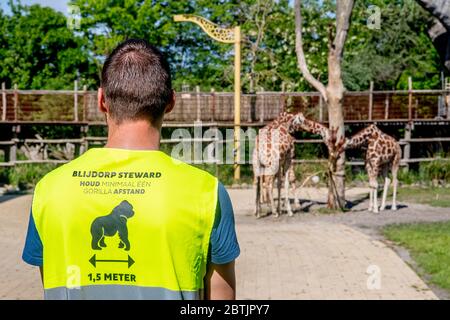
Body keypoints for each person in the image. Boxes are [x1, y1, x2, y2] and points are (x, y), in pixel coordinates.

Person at [22, 39, 240, 300]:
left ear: (102, 100)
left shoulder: (49, 189)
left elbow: (52, 286)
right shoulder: (207, 193)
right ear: (170, 102)